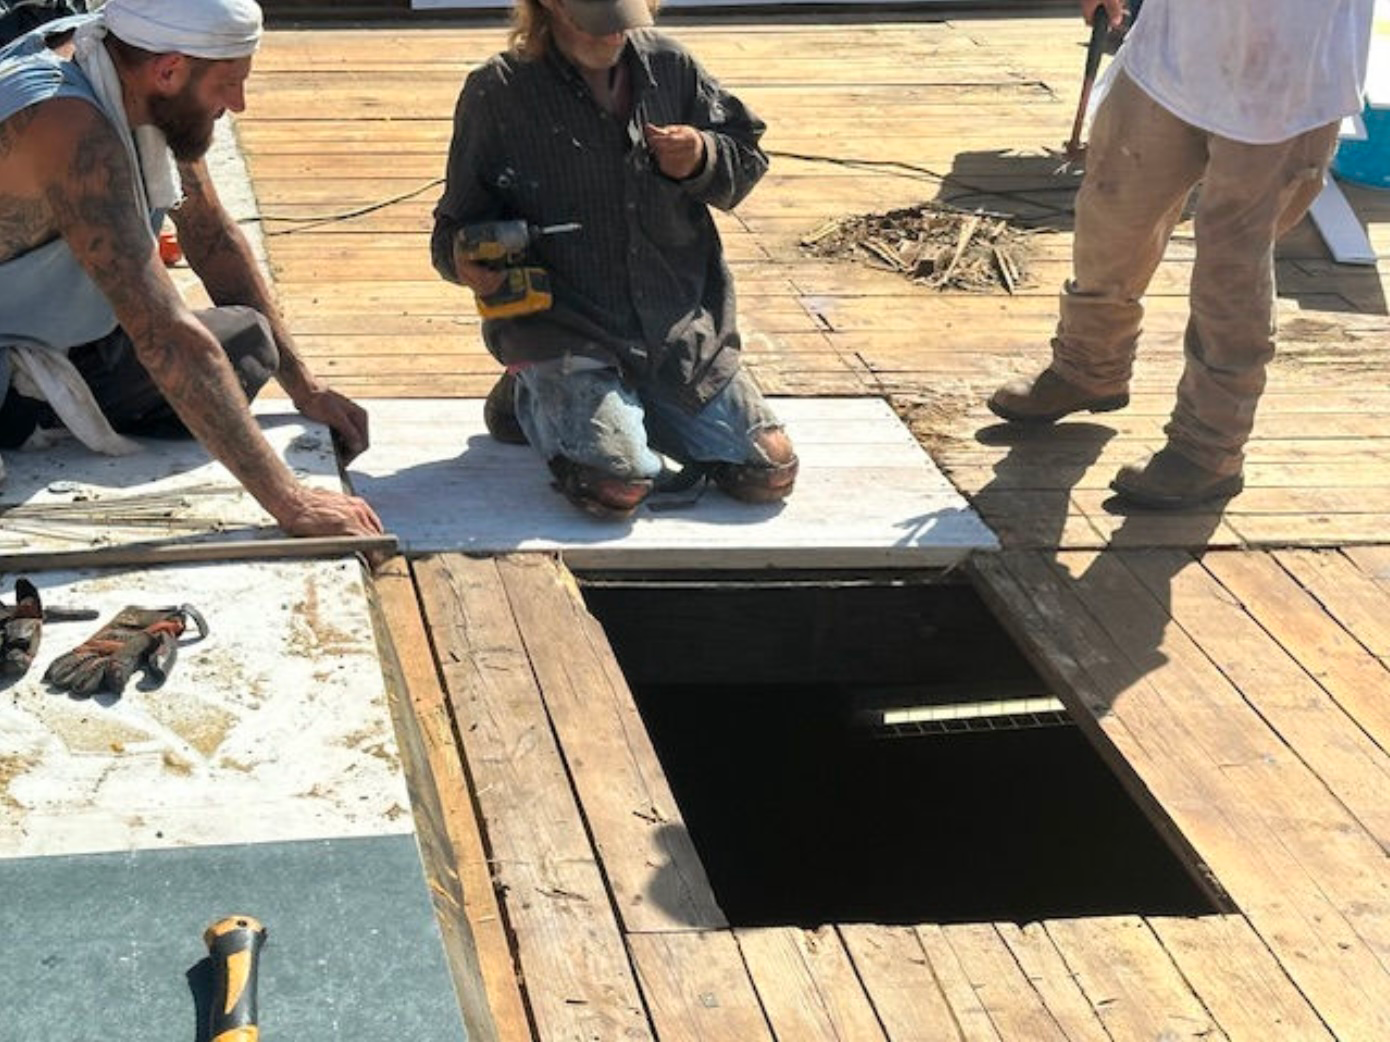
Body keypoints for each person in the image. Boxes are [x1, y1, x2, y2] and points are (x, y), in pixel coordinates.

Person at [0, 0, 383, 538]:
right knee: (196, 357)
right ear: (170, 69)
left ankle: (50, 400)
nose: (239, 103)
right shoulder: (65, 122)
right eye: (228, 85)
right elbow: (160, 329)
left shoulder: (136, 74)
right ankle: (28, 411)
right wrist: (291, 500)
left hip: (57, 330)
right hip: (13, 346)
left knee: (248, 344)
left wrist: (306, 388)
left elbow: (209, 233)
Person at [988, 0, 1375, 509]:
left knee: (1231, 267)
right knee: (1113, 212)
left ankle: (1209, 446)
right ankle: (1088, 366)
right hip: (1171, 54)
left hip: (1285, 78)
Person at [431, 0, 797, 520]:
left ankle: (618, 405)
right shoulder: (498, 90)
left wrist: (702, 155)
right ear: (551, 6)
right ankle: (531, 392)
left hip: (677, 333)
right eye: (599, 22)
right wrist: (463, 261)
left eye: (625, 19)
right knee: (618, 486)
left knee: (769, 472)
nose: (614, 36)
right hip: (565, 327)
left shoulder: (670, 65)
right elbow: (454, 228)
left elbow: (746, 155)